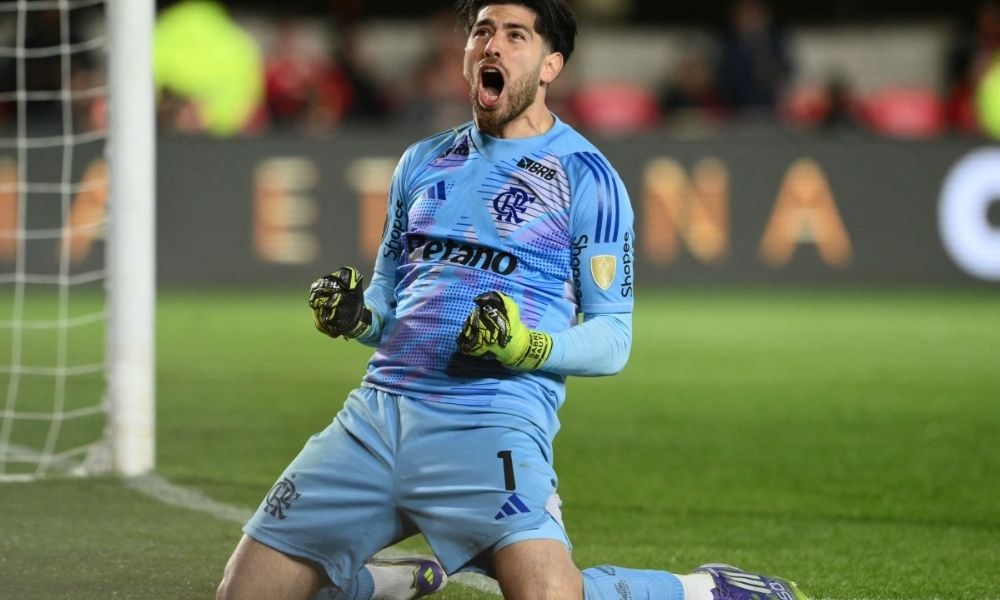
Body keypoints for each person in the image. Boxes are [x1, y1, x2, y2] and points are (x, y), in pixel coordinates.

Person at [216, 2, 812, 600]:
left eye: (515, 35)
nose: (492, 45)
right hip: (375, 420)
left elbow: (613, 338)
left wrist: (523, 346)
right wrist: (358, 318)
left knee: (550, 595)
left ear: (551, 65)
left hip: (489, 421)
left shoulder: (586, 177)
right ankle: (381, 583)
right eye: (482, 32)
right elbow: (391, 306)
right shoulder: (421, 162)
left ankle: (705, 590)